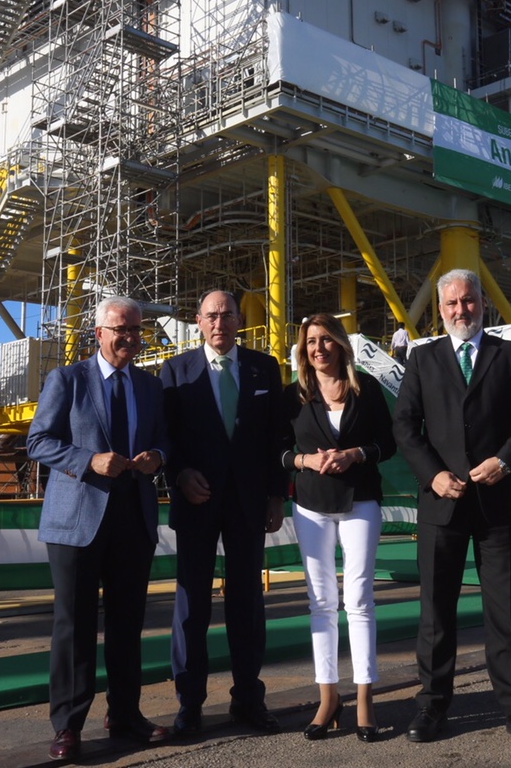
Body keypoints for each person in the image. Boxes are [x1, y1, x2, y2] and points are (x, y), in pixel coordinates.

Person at [392, 268, 511, 746]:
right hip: (441, 504)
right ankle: (432, 707)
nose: (460, 310)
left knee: (506, 610)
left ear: (483, 302)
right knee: (436, 611)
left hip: (497, 502)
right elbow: (405, 425)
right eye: (451, 305)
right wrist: (433, 474)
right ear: (440, 310)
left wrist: (506, 461)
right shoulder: (423, 360)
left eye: (468, 301)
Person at [27, 295, 172, 761]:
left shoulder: (150, 387)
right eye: (121, 330)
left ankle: (126, 715)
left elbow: (165, 439)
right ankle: (68, 727)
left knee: (129, 624)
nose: (130, 337)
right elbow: (38, 441)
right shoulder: (67, 380)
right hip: (76, 524)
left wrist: (158, 457)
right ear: (100, 334)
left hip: (133, 520)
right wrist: (87, 461)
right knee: (75, 627)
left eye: (136, 330)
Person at [160, 290, 288, 736]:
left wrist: (277, 495)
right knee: (192, 603)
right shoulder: (175, 372)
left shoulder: (264, 368)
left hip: (249, 505)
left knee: (247, 602)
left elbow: (277, 436)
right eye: (212, 316)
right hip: (196, 502)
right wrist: (178, 474)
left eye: (228, 315)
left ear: (239, 320)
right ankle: (189, 705)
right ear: (198, 321)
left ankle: (248, 698)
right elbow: (165, 436)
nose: (220, 323)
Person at [281, 314, 397, 742]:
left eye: (326, 340)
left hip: (360, 501)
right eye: (311, 342)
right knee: (321, 602)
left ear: (341, 345)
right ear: (303, 349)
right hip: (310, 505)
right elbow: (277, 451)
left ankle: (365, 697)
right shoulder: (292, 396)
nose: (318, 348)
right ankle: (327, 698)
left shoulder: (365, 390)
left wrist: (357, 454)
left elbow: (389, 443)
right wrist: (304, 460)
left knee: (359, 599)